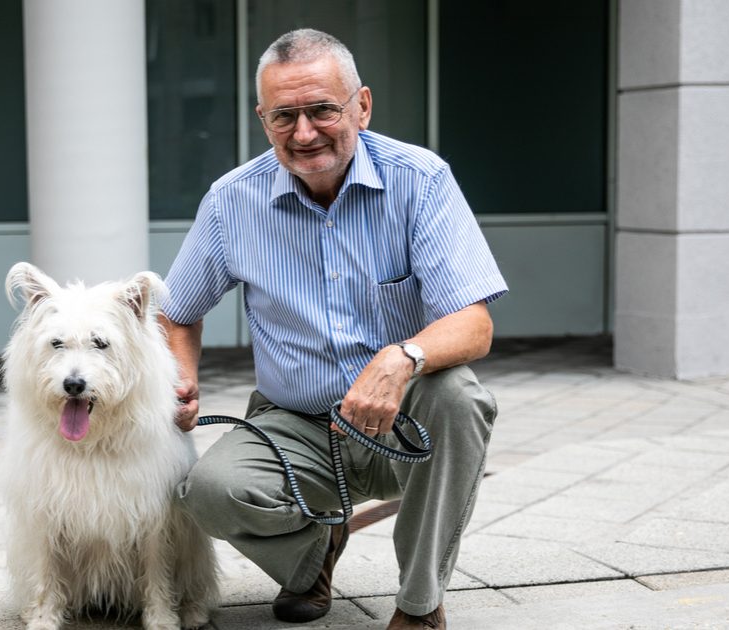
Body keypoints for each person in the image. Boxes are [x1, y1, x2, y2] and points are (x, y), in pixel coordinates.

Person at [161, 28, 507, 630]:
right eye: (284, 116)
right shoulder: (230, 202)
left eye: (322, 109)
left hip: (405, 416)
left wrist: (402, 358)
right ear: (262, 119)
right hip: (296, 423)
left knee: (459, 397)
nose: (304, 133)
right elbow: (177, 309)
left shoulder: (420, 180)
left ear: (362, 106)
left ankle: (420, 607)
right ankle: (314, 552)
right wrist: (182, 377)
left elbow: (474, 324)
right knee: (209, 492)